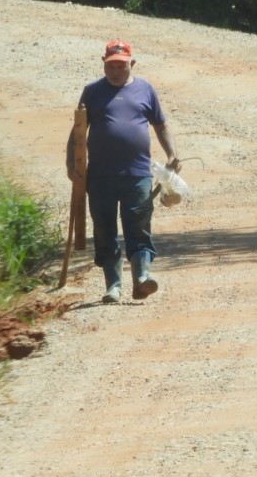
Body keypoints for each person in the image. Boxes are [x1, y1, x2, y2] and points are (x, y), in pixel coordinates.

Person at [66, 39, 180, 303]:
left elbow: (161, 126)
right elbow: (77, 132)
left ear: (132, 63)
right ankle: (113, 286)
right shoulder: (92, 92)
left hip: (137, 174)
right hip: (100, 176)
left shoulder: (145, 90)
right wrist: (71, 165)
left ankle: (142, 279)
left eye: (121, 65)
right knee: (105, 229)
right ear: (103, 64)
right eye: (111, 66)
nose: (116, 71)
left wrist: (172, 154)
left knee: (138, 226)